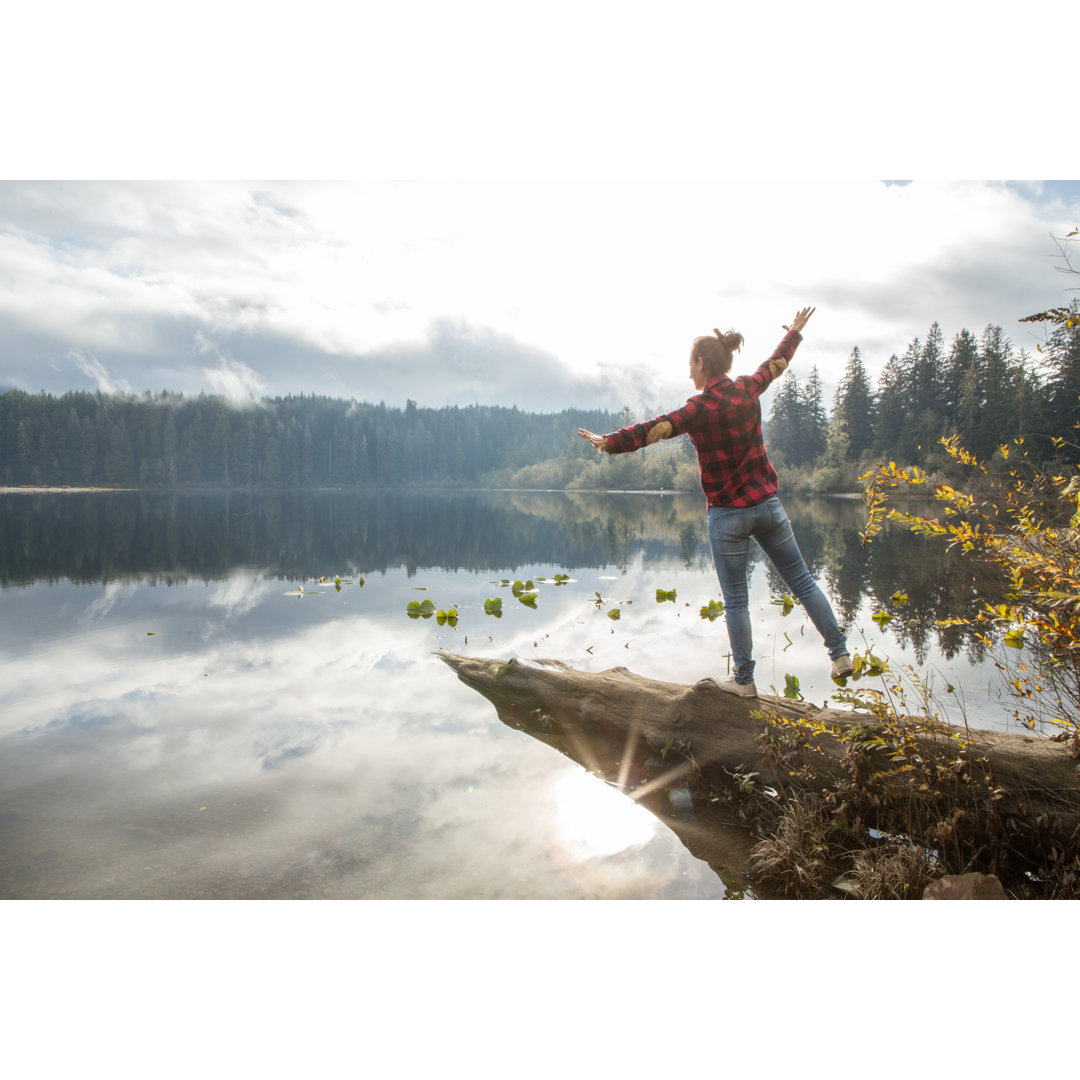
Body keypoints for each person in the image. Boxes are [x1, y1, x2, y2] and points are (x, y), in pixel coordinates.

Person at [578, 307, 852, 698]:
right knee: (804, 582)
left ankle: (745, 680)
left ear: (702, 364)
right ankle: (839, 654)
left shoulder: (698, 408)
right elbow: (777, 364)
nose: (689, 372)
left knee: (737, 600)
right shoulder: (746, 388)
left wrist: (611, 442)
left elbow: (655, 429)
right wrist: (793, 332)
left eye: (690, 364)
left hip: (727, 517)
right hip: (768, 506)